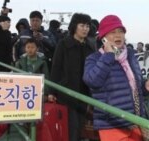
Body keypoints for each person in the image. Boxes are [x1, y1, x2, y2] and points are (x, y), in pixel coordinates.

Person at [83, 15, 149, 141]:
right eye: (112, 32)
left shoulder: (130, 55)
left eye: (121, 31)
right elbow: (92, 81)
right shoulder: (94, 58)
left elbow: (132, 85)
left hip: (136, 122)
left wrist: (145, 87)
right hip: (112, 125)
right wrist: (108, 56)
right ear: (103, 37)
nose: (118, 35)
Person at [48, 13, 96, 141]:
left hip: (85, 94)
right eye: (82, 25)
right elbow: (56, 67)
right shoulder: (63, 44)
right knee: (72, 128)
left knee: (80, 127)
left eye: (87, 26)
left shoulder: (91, 47)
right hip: (67, 92)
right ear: (74, 26)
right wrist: (52, 91)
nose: (85, 29)